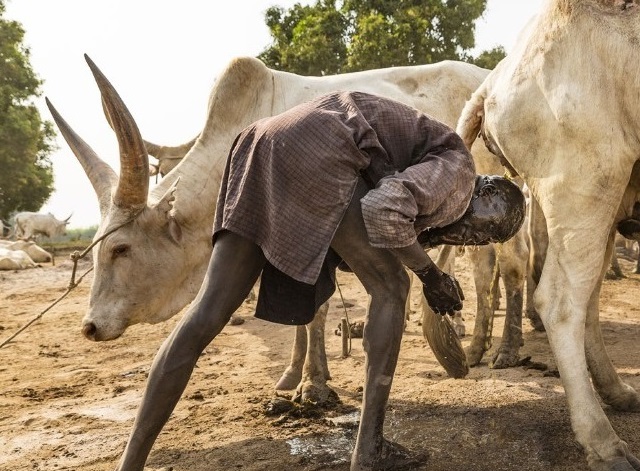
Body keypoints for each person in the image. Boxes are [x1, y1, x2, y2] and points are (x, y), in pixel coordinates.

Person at [115, 91, 526, 471]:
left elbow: (372, 216)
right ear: (480, 193)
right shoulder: (458, 169)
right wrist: (431, 275)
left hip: (260, 143)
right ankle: (369, 450)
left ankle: (130, 464)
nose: (470, 240)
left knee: (206, 313)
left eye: (482, 241)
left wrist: (422, 262)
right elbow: (383, 209)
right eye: (479, 230)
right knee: (393, 287)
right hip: (320, 146)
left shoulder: (433, 177)